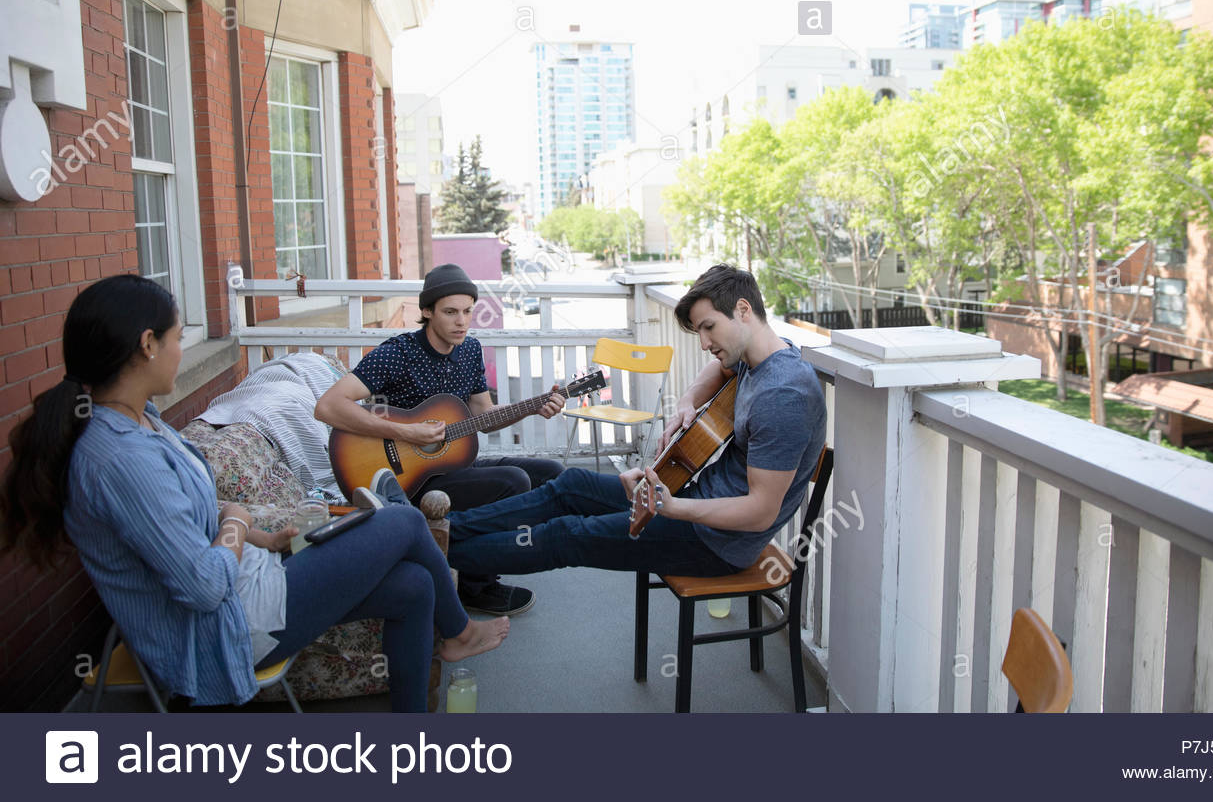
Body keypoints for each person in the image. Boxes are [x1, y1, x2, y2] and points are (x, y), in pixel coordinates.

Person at [0, 275, 507, 712]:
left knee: (415, 586)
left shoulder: (143, 422)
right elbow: (200, 587)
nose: (183, 347)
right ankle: (457, 631)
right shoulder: (118, 458)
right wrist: (238, 523)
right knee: (402, 524)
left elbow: (178, 511)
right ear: (148, 344)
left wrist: (259, 537)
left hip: (248, 581)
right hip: (222, 630)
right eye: (180, 336)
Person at [445, 264, 827, 579]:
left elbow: (761, 511)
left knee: (565, 536)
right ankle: (445, 531)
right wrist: (687, 402)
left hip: (716, 543)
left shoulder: (784, 395)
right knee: (569, 486)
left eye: (709, 327)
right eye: (700, 332)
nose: (705, 343)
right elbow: (720, 369)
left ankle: (438, 557)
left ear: (744, 310)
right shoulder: (758, 355)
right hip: (692, 498)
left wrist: (672, 507)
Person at [315, 263, 566, 617]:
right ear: (427, 311)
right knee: (514, 482)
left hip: (449, 467)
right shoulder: (398, 353)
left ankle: (489, 550)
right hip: (400, 479)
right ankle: (476, 586)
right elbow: (327, 407)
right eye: (450, 312)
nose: (462, 321)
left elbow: (486, 417)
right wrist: (407, 432)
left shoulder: (470, 351)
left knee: (550, 472)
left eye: (467, 312)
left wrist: (532, 407)